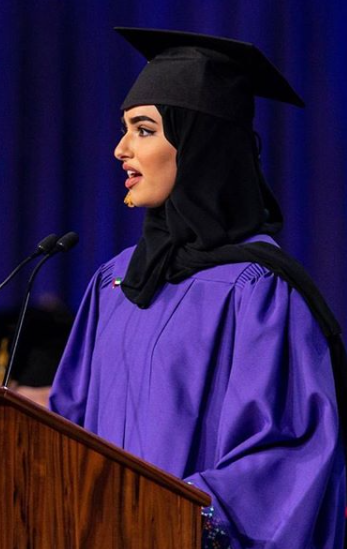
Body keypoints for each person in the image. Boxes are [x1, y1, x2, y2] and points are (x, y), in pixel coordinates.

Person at [49, 28, 346, 548]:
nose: (121, 149)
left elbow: (285, 459)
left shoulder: (257, 292)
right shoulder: (115, 283)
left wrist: (172, 521)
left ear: (200, 144)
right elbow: (62, 430)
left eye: (144, 130)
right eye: (124, 129)